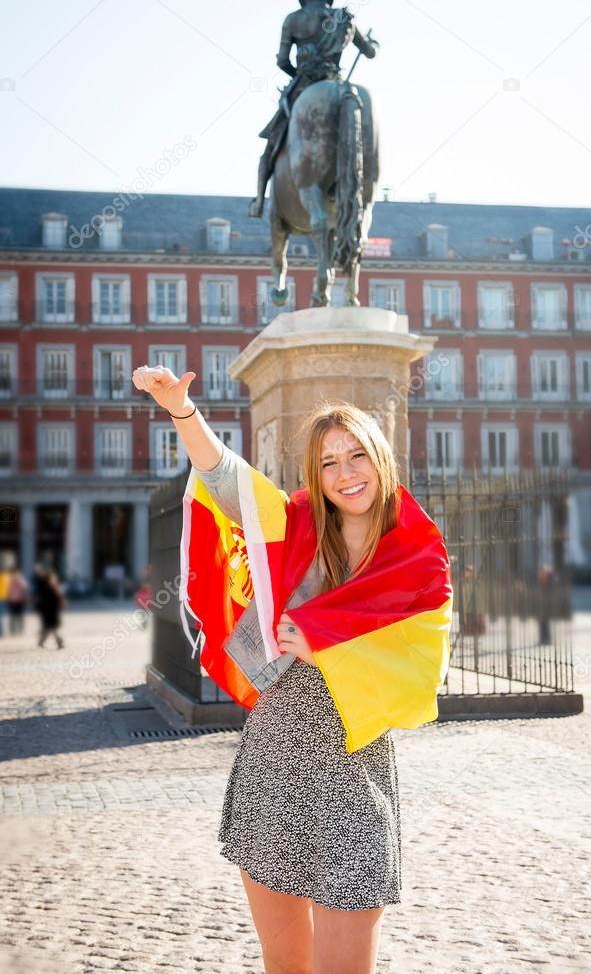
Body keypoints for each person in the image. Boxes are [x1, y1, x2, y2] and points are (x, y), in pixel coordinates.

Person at [132, 362, 452, 974]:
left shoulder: (418, 553)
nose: (344, 474)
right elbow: (225, 478)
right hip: (275, 760)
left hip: (355, 776)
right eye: (329, 462)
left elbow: (426, 661)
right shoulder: (295, 523)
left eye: (355, 455)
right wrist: (181, 410)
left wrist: (326, 643)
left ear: (379, 457)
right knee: (285, 966)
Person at [248, 0, 378, 218]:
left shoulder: (293, 19)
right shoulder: (344, 18)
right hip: (338, 83)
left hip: (303, 86)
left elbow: (282, 61)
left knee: (271, 143)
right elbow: (370, 52)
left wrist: (297, 73)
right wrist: (375, 45)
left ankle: (259, 203)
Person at [33, 565, 66, 649]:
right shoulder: (46, 587)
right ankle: (59, 641)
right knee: (50, 627)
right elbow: (56, 598)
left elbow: (57, 598)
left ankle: (42, 641)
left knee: (48, 627)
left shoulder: (49, 587)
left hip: (49, 611)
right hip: (48, 611)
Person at [7, 565, 29, 634]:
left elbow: (25, 587)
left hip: (19, 600)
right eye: (13, 573)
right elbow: (7, 589)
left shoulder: (20, 579)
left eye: (16, 573)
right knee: (12, 615)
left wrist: (18, 579)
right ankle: (12, 630)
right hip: (12, 600)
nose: (14, 574)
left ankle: (20, 630)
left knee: (19, 615)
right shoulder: (9, 580)